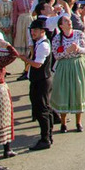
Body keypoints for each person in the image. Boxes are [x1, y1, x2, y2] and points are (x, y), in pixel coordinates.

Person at [50, 15, 85, 133]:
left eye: (69, 20)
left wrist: (77, 49)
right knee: (64, 92)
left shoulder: (79, 34)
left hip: (78, 65)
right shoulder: (57, 38)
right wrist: (67, 51)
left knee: (78, 91)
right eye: (66, 21)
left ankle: (78, 122)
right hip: (64, 67)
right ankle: (63, 123)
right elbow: (56, 55)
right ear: (61, 26)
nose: (69, 22)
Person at [20, 20, 54, 151]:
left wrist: (25, 59)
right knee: (43, 108)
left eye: (35, 30)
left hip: (42, 80)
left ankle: (45, 138)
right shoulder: (39, 43)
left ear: (42, 31)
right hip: (39, 80)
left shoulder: (43, 45)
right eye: (32, 30)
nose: (32, 32)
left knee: (42, 110)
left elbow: (37, 64)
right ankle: (47, 136)